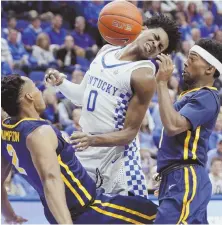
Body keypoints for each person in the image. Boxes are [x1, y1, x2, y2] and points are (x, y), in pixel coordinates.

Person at [45, 14, 181, 198]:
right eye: (155, 38)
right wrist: (61, 83)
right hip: (86, 148)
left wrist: (92, 140)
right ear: (143, 28)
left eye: (160, 47)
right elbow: (80, 97)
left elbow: (129, 134)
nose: (154, 45)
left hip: (119, 161)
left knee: (135, 217)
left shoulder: (144, 75)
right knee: (77, 214)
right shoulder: (106, 51)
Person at [1, 75, 157, 224]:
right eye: (35, 88)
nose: (39, 91)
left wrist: (9, 215)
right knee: (157, 214)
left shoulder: (5, 130)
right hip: (88, 210)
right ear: (29, 96)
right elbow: (51, 181)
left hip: (57, 213)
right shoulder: (39, 133)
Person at [154, 38, 222, 224]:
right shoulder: (188, 96)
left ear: (210, 69)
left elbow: (174, 126)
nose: (186, 61)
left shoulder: (208, 95)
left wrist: (161, 83)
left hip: (186, 176)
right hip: (176, 177)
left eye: (192, 58)